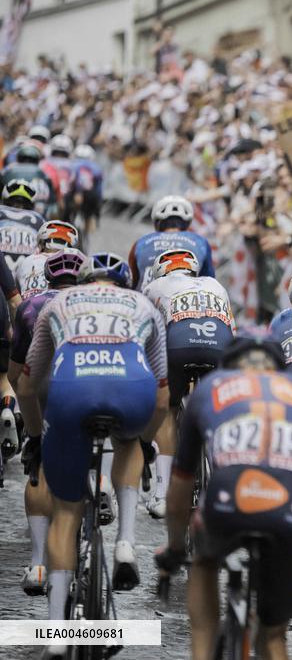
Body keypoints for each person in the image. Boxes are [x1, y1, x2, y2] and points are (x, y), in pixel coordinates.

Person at [19, 251, 168, 648]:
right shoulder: (145, 304)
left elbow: (29, 386)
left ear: (84, 282)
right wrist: (145, 442)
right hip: (132, 391)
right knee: (130, 444)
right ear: (124, 285)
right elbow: (163, 398)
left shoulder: (58, 302)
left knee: (66, 511)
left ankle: (55, 633)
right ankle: (125, 543)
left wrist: (35, 437)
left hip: (72, 392)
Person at [156, 337, 292, 660]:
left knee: (202, 562)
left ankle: (202, 649)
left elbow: (181, 484)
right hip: (287, 508)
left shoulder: (211, 387)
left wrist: (175, 548)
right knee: (274, 636)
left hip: (227, 501)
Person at [12, 248, 86, 597]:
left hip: (44, 385)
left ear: (47, 278)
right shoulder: (100, 301)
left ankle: (39, 561)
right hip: (98, 382)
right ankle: (100, 484)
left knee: (40, 461)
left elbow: (16, 375)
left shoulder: (32, 305)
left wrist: (34, 430)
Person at [142, 248, 235, 518]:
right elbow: (232, 328)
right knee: (220, 408)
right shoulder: (216, 285)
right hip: (219, 348)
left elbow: (146, 332)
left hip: (179, 347)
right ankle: (223, 481)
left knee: (167, 407)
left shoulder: (154, 286)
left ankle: (161, 494)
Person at [129, 195, 215, 290]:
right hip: (184, 299)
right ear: (187, 222)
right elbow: (209, 282)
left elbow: (132, 282)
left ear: (157, 221)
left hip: (147, 299)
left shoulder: (141, 242)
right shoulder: (200, 242)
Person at [14, 220, 79, 301]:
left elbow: (15, 298)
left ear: (41, 244)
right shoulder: (77, 264)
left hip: (30, 310)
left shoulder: (26, 261)